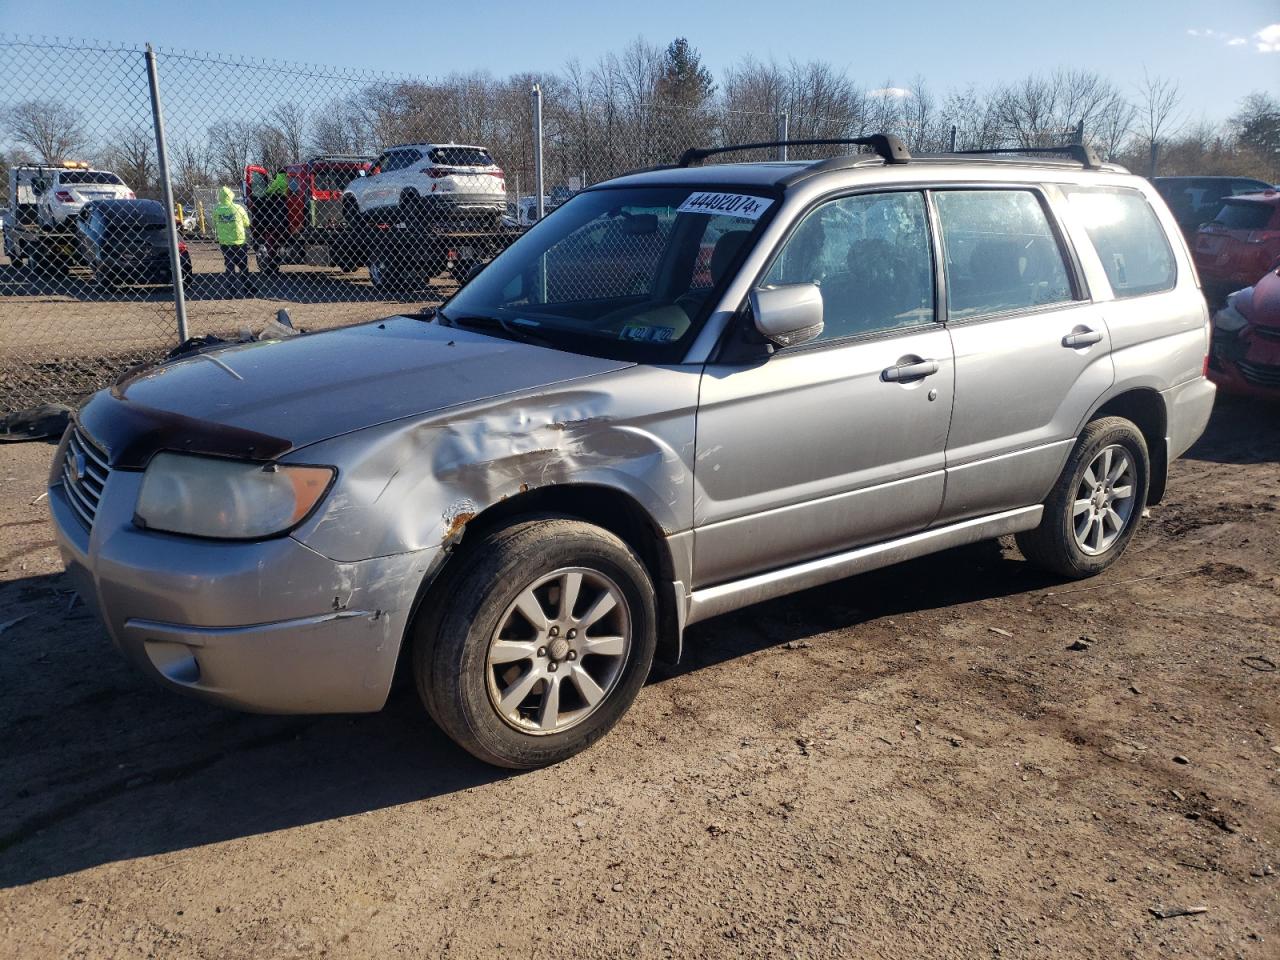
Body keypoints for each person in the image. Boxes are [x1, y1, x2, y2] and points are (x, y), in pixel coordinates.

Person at [212, 185, 253, 295]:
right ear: (231, 195)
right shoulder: (238, 208)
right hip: (239, 241)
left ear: (220, 197)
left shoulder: (217, 209)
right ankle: (247, 288)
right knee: (243, 266)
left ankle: (231, 289)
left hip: (225, 242)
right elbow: (247, 223)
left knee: (229, 266)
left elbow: (214, 222)